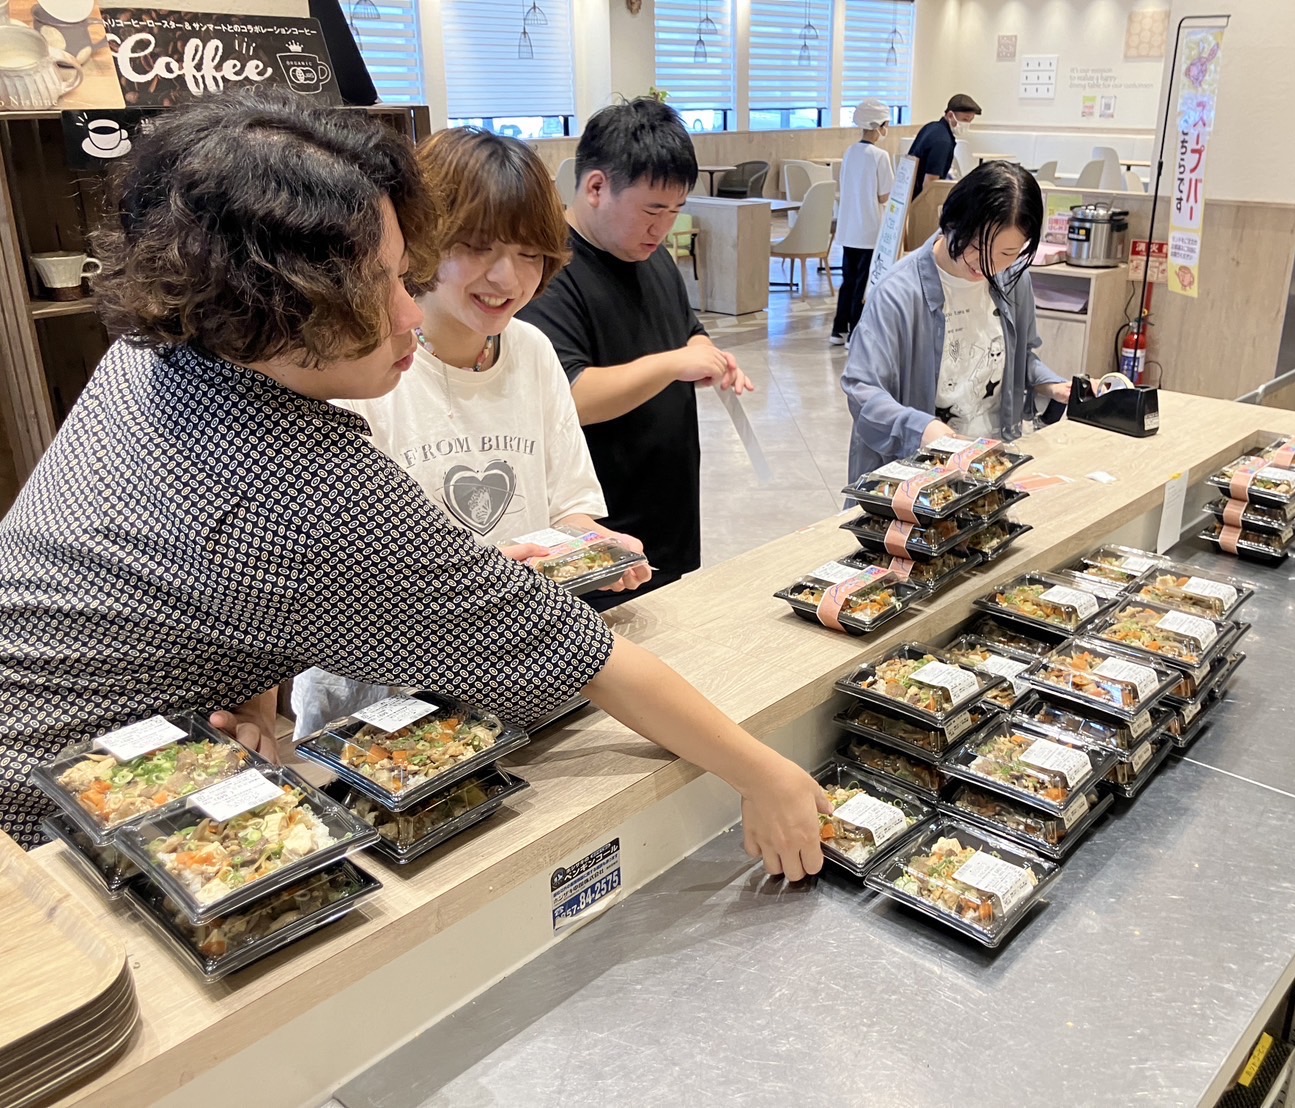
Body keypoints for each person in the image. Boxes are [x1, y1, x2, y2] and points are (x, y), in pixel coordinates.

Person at [0, 93, 828, 883]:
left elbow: (212, 584)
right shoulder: (309, 489)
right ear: (280, 297)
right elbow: (584, 657)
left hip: (109, 760)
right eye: (388, 283)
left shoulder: (158, 351)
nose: (410, 312)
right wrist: (766, 776)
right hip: (50, 828)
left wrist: (244, 699)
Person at [290, 127, 652, 738]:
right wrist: (474, 582)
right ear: (418, 242)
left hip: (513, 674)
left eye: (530, 254)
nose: (507, 279)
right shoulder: (360, 368)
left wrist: (597, 547)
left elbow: (567, 508)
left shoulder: (532, 350)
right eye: (478, 246)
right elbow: (324, 581)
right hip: (383, 707)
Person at [519, 97, 753, 609]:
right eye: (651, 210)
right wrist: (672, 364)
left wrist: (705, 353)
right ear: (596, 187)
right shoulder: (549, 271)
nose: (663, 227)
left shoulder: (651, 256)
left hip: (667, 517)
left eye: (675, 211)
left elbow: (686, 331)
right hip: (602, 536)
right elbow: (570, 396)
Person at [841, 161, 1070, 481]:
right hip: (918, 476)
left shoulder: (1013, 281)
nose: (987, 265)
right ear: (952, 221)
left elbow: (1018, 358)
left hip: (991, 462)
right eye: (977, 246)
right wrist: (924, 429)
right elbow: (862, 388)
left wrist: (1052, 385)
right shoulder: (899, 293)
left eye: (1007, 253)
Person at [830, 98, 895, 348]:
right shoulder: (880, 156)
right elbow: (884, 195)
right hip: (870, 229)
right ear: (879, 125)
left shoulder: (850, 152)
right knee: (863, 283)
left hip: (849, 228)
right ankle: (855, 331)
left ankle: (838, 329)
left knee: (848, 280)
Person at [906, 92, 981, 197]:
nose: (967, 124)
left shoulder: (930, 127)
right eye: (964, 119)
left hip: (906, 193)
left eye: (970, 121)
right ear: (950, 115)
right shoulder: (943, 142)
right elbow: (930, 184)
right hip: (918, 198)